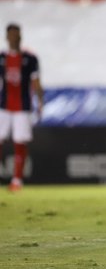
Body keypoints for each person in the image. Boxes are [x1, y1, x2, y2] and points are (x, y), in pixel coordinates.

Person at [0, 23, 44, 192]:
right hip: (3, 106)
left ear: (20, 36)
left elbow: (36, 82)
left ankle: (17, 180)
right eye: (11, 34)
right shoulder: (2, 58)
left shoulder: (30, 59)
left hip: (22, 107)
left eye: (16, 34)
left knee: (20, 141)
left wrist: (40, 102)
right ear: (6, 37)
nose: (14, 38)